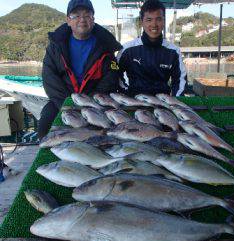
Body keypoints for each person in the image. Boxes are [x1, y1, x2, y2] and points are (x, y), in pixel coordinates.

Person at [38, 0, 122, 139]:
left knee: (106, 133)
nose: (82, 19)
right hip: (64, 100)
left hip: (94, 102)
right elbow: (49, 78)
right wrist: (68, 104)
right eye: (76, 15)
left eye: (87, 15)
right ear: (68, 20)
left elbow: (110, 79)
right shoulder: (55, 46)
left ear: (93, 20)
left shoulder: (106, 47)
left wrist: (89, 103)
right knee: (44, 127)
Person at [117, 0, 187, 97]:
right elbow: (115, 73)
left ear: (163, 21)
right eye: (149, 20)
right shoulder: (127, 49)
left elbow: (180, 80)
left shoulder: (174, 51)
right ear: (142, 22)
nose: (154, 24)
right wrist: (126, 92)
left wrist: (175, 101)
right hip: (134, 102)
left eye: (158, 19)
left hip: (163, 103)